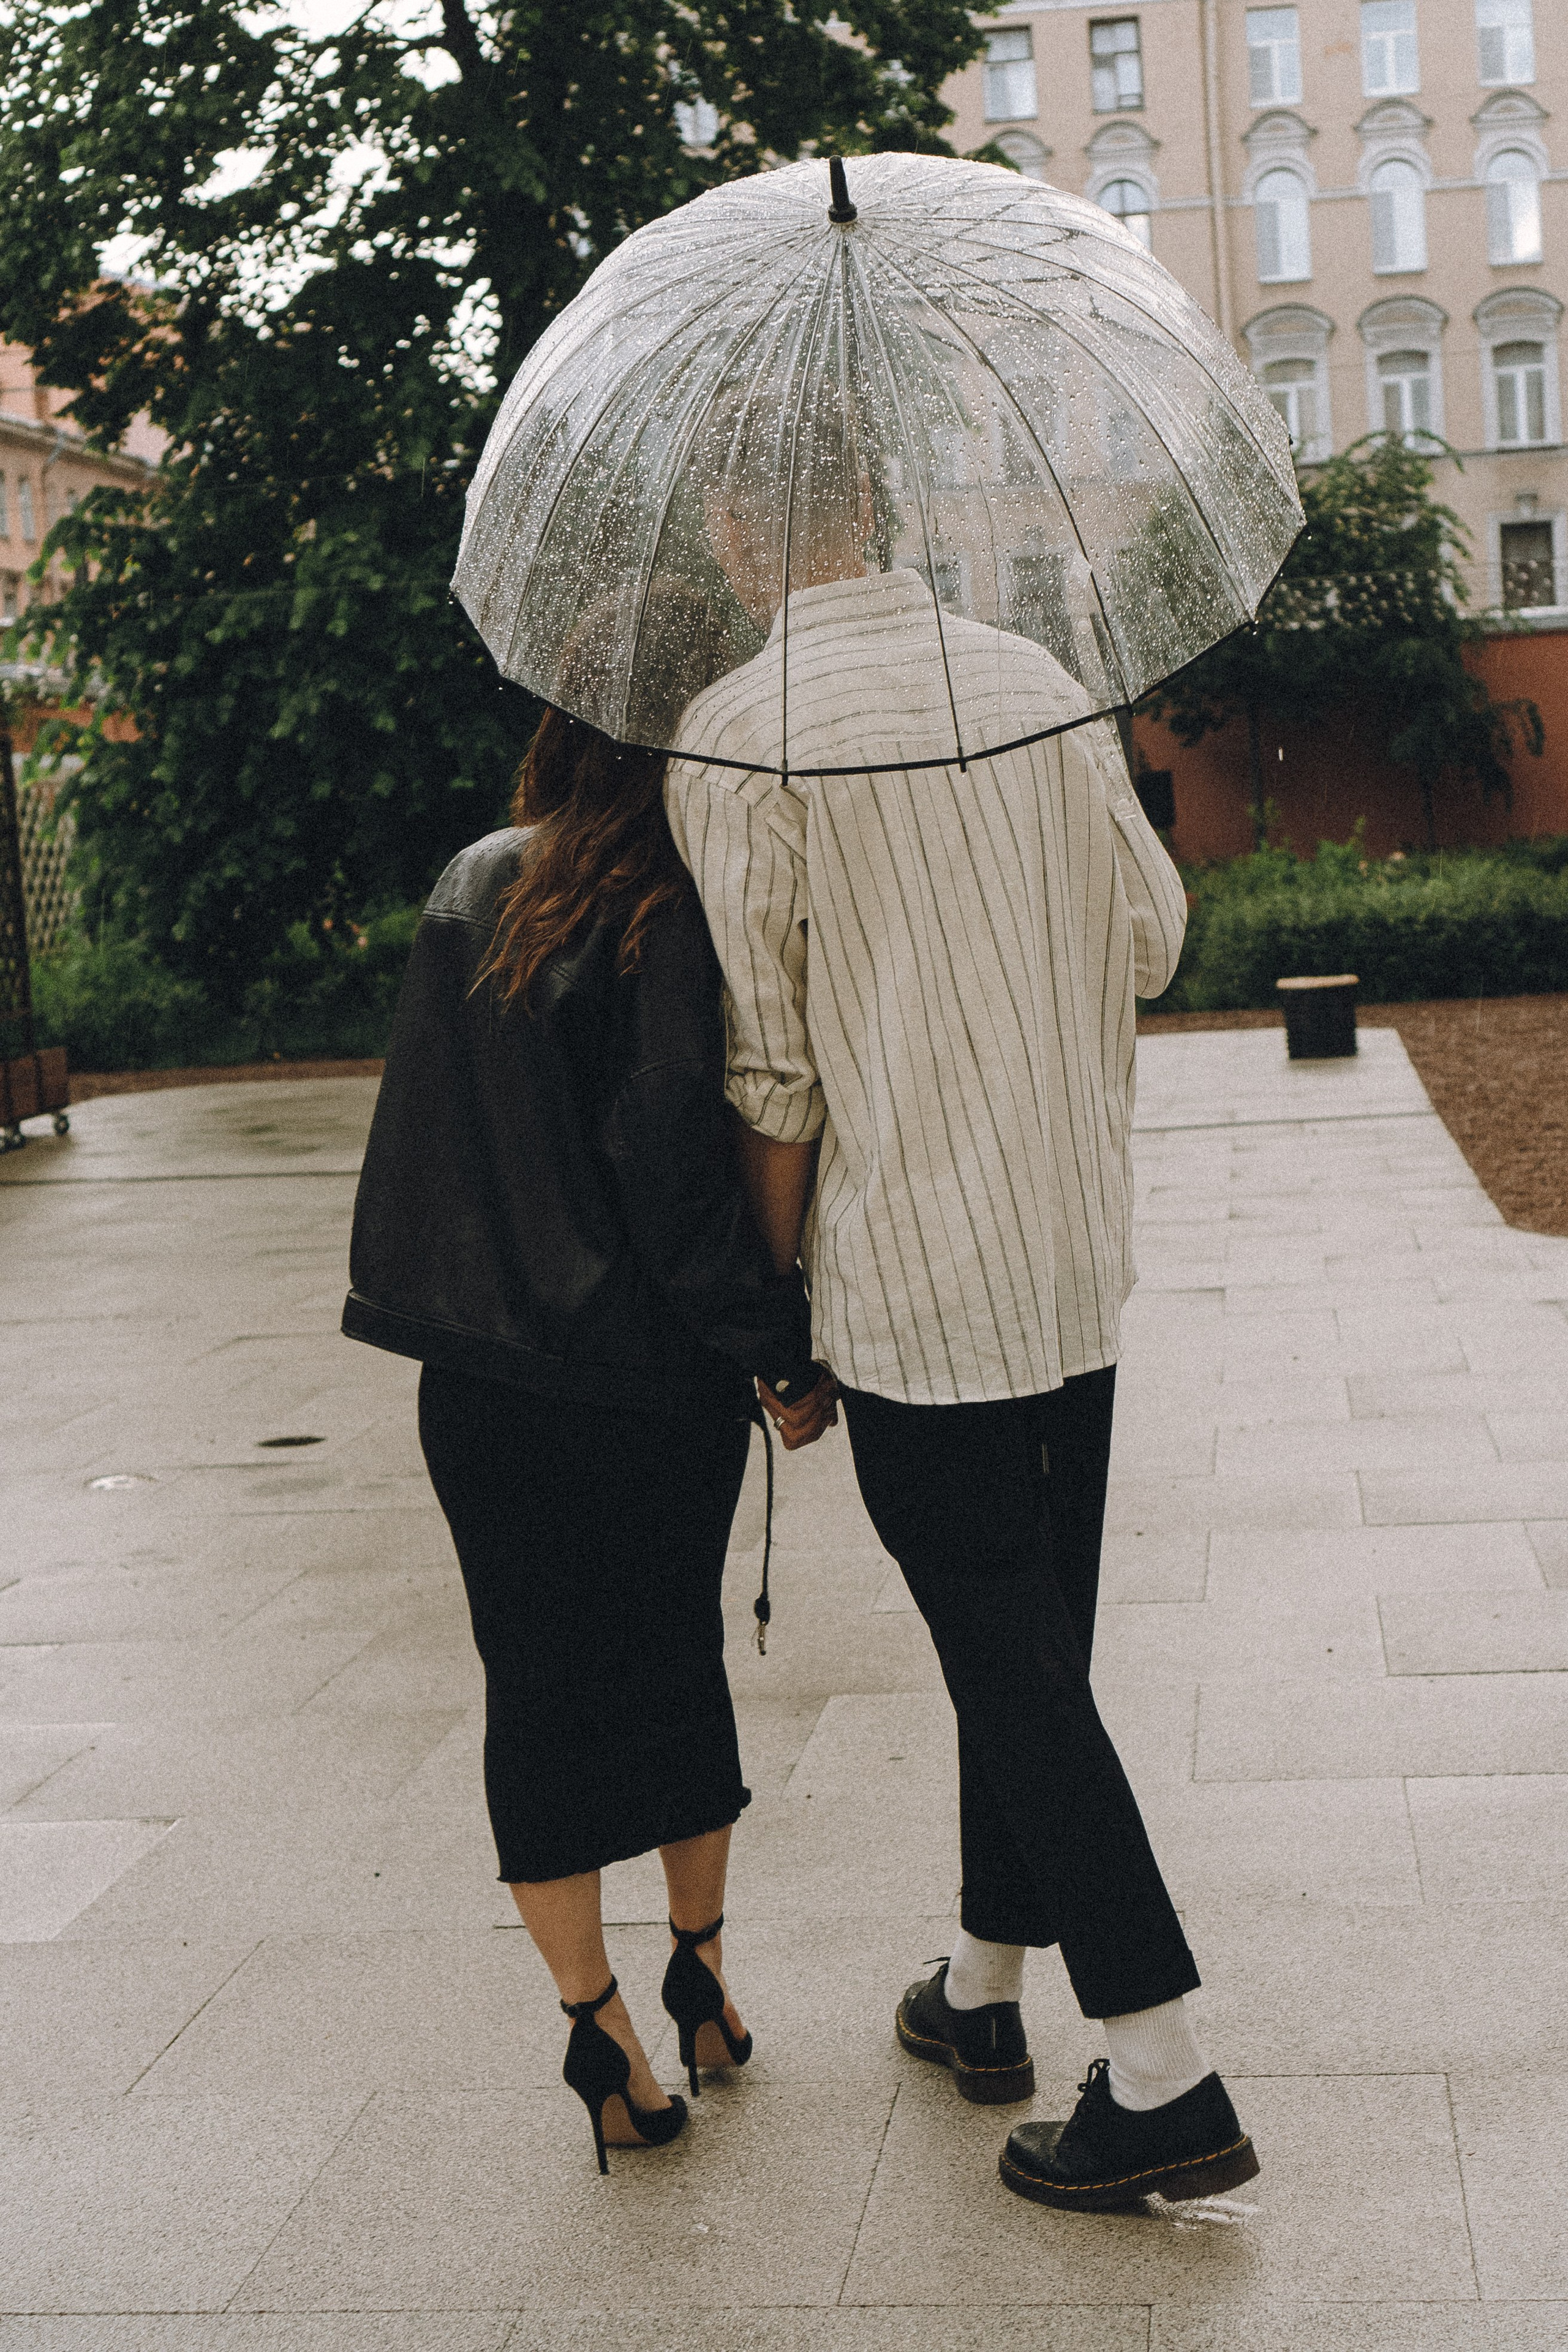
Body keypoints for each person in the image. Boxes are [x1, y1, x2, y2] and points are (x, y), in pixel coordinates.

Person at [665, 502, 1263, 2211]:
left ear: (735, 533)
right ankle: (986, 1988)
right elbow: (1154, 940)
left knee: (1009, 1663)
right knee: (1027, 1646)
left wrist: (767, 1318)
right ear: (883, 514)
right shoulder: (1039, 681)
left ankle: (1163, 2070)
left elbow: (771, 1073)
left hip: (915, 1289)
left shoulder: (739, 736)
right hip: (1069, 1261)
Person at [342, 707, 836, 2176]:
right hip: (641, 1381)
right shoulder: (660, 912)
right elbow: (676, 1162)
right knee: (674, 1658)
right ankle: (702, 1977)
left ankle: (596, 2025)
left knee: (535, 1688)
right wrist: (778, 1350)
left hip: (478, 1379)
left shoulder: (463, 886)